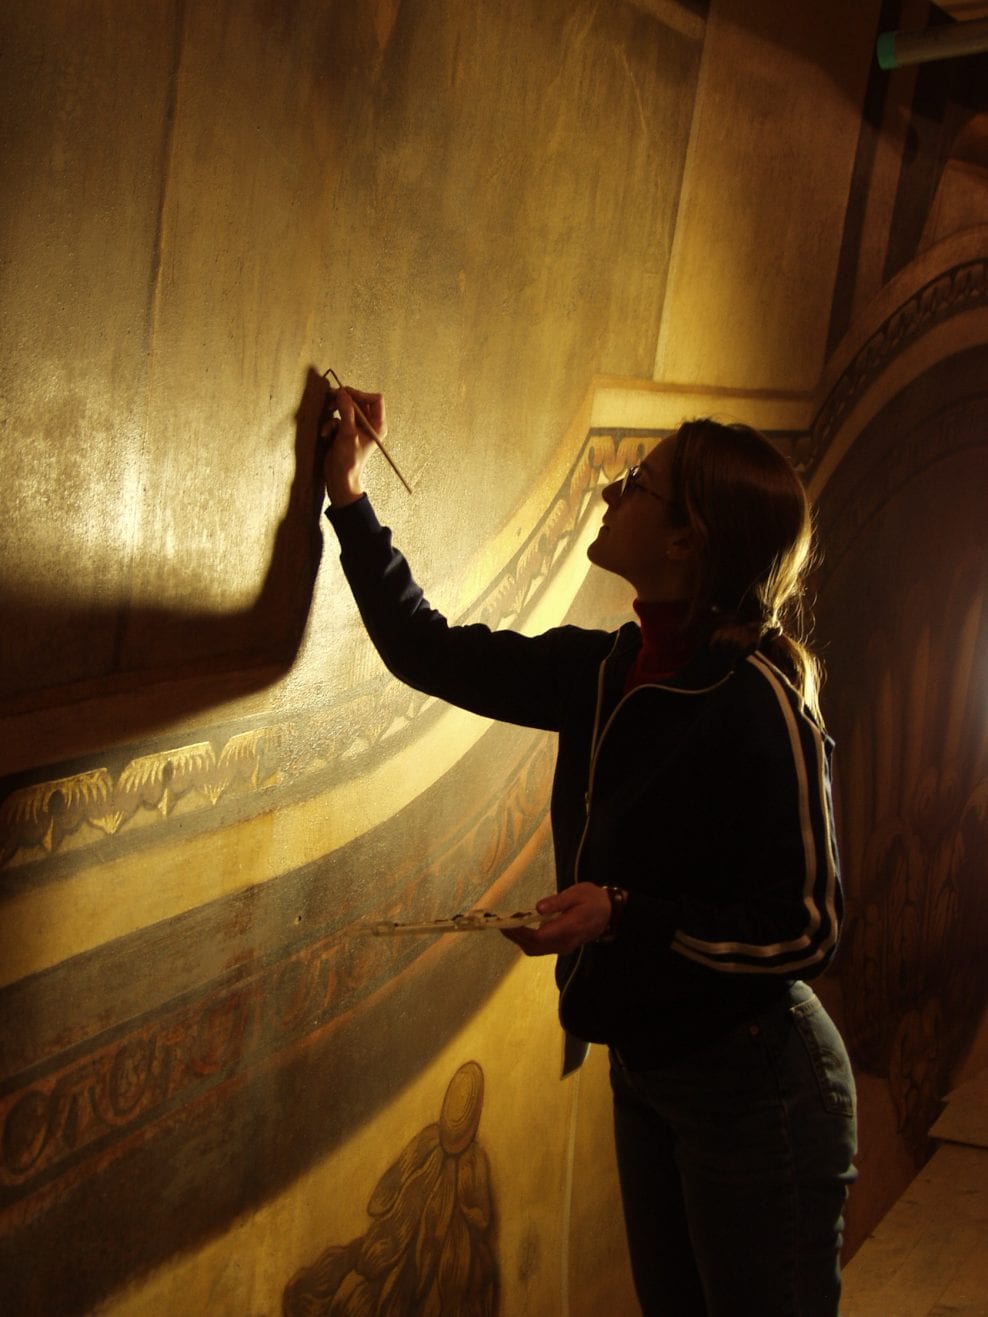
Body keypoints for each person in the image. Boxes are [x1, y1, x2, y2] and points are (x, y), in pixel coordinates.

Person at [319, 385, 857, 1317]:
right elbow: (426, 649)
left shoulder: (758, 700)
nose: (612, 492)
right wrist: (348, 492)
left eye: (637, 485)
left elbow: (807, 930)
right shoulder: (608, 670)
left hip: (758, 1083)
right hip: (647, 1065)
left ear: (687, 541)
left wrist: (624, 913)